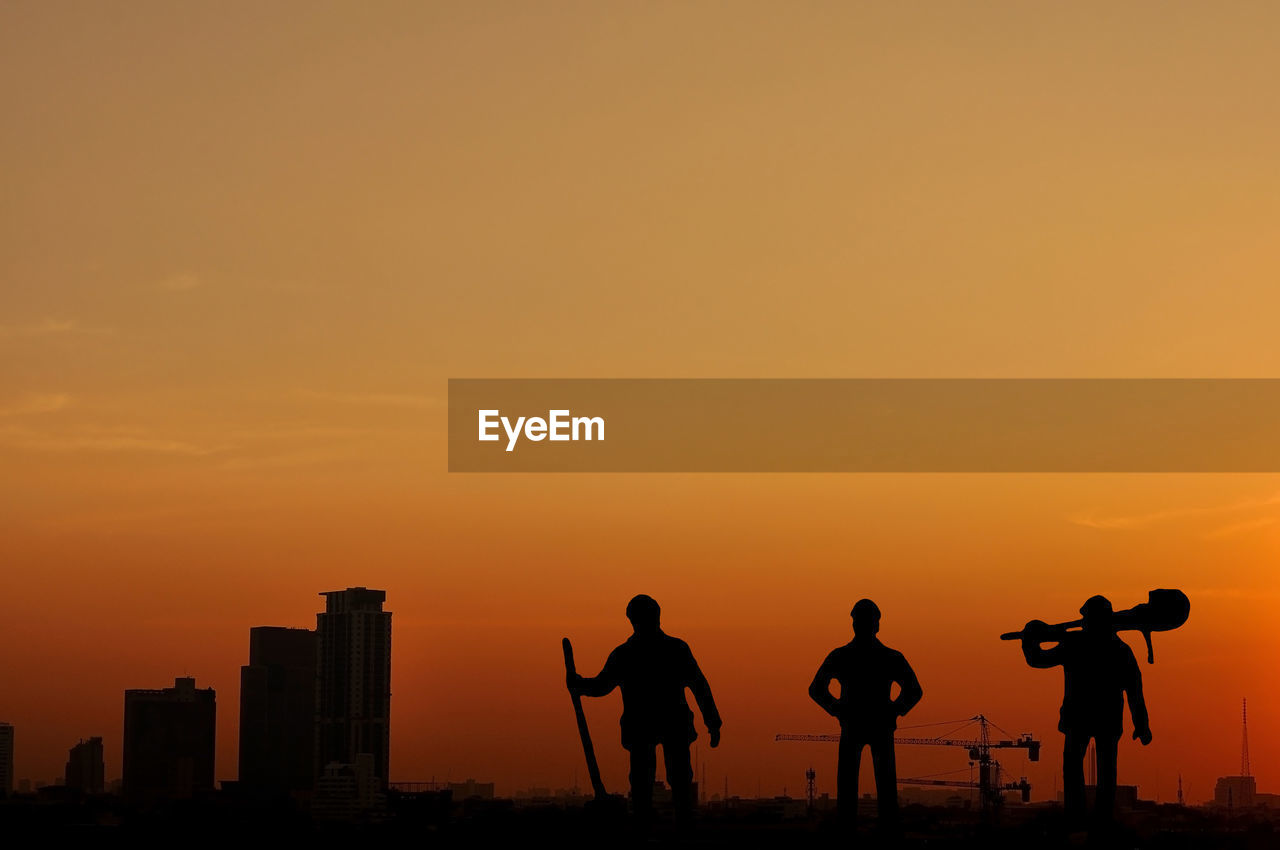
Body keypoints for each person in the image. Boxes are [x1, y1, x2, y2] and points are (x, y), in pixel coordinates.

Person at [568, 594, 721, 822]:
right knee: (643, 779)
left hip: (666, 724)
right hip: (646, 726)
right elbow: (602, 685)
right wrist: (579, 684)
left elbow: (700, 686)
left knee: (675, 777)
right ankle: (649, 823)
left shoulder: (663, 650)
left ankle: (679, 822)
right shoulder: (635, 653)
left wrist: (713, 722)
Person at [1021, 595, 1151, 827]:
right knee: (1100, 771)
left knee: (1080, 769)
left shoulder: (1077, 644)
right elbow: (1135, 690)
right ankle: (1094, 817)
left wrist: (1029, 640)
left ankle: (1080, 816)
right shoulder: (1119, 649)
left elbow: (1038, 659)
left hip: (1082, 717)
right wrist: (1141, 724)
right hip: (1102, 719)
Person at [809, 599, 922, 831]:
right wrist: (893, 711)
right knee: (874, 786)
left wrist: (838, 709)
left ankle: (855, 832)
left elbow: (914, 691)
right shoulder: (888, 657)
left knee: (862, 786)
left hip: (861, 725)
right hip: (868, 725)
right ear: (876, 625)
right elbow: (914, 691)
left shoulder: (846, 656)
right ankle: (875, 832)